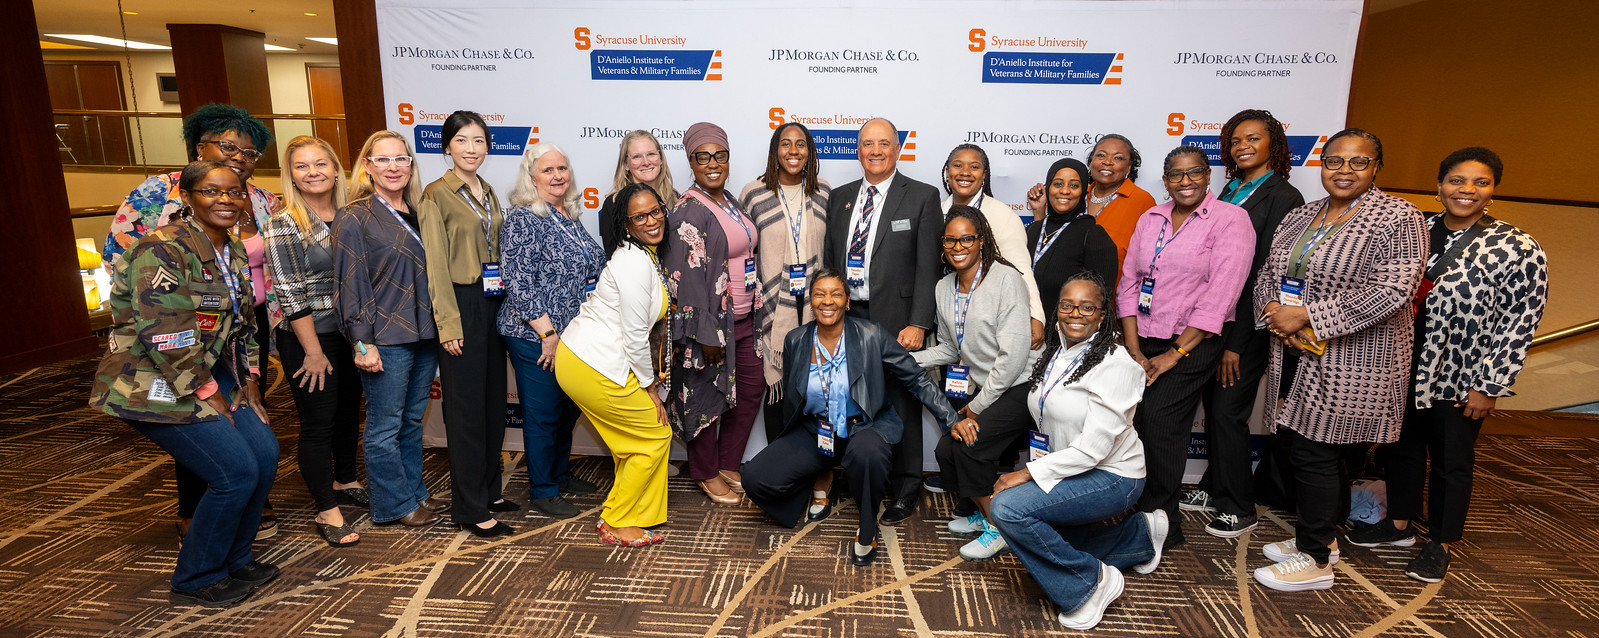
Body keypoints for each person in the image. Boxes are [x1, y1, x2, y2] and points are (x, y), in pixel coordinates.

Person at [1346, 147, 1547, 582]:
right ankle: (1398, 523)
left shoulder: (1517, 246)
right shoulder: (1414, 230)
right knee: (1401, 450)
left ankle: (1440, 542)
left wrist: (1490, 384)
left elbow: (1520, 321)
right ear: (1439, 186)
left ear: (1493, 190)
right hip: (1399, 366)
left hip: (1461, 375)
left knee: (1451, 460)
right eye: (1457, 180)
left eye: (1480, 182)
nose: (1467, 190)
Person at [90, 160, 278, 607]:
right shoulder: (162, 249)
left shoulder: (229, 250)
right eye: (212, 192)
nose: (226, 200)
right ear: (188, 199)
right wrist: (207, 392)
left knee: (266, 454)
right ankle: (198, 575)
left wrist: (250, 379)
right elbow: (166, 334)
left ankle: (235, 558)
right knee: (235, 472)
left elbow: (242, 326)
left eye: (234, 192)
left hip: (214, 375)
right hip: (155, 382)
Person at [1251, 128, 1426, 591]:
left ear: (1376, 167)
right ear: (1321, 164)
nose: (1344, 170)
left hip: (1354, 358)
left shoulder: (1398, 217)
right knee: (1296, 445)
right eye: (1334, 161)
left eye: (1358, 162)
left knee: (1316, 451)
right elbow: (1269, 272)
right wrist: (1274, 314)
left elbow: (1392, 291)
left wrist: (1307, 315)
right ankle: (1321, 538)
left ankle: (1314, 561)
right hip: (1293, 352)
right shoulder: (1303, 215)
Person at [742, 268, 960, 567]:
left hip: (865, 428)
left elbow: (916, 378)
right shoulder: (796, 340)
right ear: (811, 300)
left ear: (847, 301)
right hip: (818, 431)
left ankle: (867, 528)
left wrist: (952, 419)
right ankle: (823, 477)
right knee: (754, 478)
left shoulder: (871, 335)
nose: (827, 301)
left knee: (867, 456)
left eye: (835, 294)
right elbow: (794, 397)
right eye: (819, 294)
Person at [988, 272, 1160, 631]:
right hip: (1072, 468)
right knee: (1045, 537)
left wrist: (1027, 474)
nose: (1075, 314)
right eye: (1067, 305)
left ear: (1102, 314)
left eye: (1087, 307)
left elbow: (1094, 450)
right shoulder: (1059, 351)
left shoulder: (1116, 365)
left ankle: (1089, 585)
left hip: (1114, 476)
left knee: (1008, 509)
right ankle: (1138, 537)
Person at [1116, 146, 1254, 549]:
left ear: (1209, 176)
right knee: (1134, 424)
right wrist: (1134, 349)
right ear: (1165, 180)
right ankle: (1139, 511)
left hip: (1193, 343)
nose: (1185, 180)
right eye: (1176, 174)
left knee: (1159, 425)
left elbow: (1222, 294)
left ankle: (1162, 525)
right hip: (1143, 339)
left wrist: (1173, 354)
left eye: (1194, 172)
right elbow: (1129, 283)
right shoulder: (1151, 217)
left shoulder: (1232, 219)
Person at [1185, 110, 1306, 539]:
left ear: (1273, 144)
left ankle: (1239, 507)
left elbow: (1263, 273)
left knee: (1229, 413)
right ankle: (1212, 487)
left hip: (1247, 326)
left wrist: (1236, 343)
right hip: (1211, 318)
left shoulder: (1282, 197)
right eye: (1235, 141)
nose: (1242, 147)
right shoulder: (1231, 188)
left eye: (1253, 139)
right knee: (1216, 408)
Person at [823, 117, 944, 524]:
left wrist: (920, 323)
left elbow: (929, 267)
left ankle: (906, 486)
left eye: (883, 144)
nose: (875, 151)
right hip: (848, 316)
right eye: (867, 144)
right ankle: (856, 473)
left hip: (897, 319)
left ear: (898, 149)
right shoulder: (839, 198)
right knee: (852, 397)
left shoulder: (922, 197)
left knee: (902, 402)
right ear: (858, 150)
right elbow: (829, 263)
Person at [333, 130, 447, 528]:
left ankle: (415, 494)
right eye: (383, 160)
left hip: (424, 333)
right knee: (384, 427)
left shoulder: (419, 211)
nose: (393, 167)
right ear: (367, 166)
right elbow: (350, 284)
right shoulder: (355, 216)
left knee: (411, 422)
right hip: (385, 338)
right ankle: (394, 505)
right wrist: (361, 342)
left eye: (401, 159)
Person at [555, 182, 674, 546]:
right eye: (640, 216)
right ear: (625, 224)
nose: (652, 221)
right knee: (655, 434)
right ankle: (617, 518)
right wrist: (650, 388)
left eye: (656, 211)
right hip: (592, 364)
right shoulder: (633, 263)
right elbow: (637, 335)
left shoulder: (641, 253)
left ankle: (639, 514)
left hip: (589, 358)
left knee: (633, 441)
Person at [916, 206, 1037, 561]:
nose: (958, 246)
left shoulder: (1006, 279)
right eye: (950, 239)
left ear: (981, 241)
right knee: (943, 451)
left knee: (968, 444)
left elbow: (1013, 358)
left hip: (1020, 384)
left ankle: (1000, 527)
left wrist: (974, 408)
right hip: (982, 388)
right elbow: (949, 348)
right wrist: (903, 358)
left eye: (967, 238)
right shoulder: (943, 287)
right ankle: (975, 512)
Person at [262, 136, 364, 547]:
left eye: (320, 164)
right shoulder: (283, 222)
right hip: (309, 337)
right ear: (292, 176)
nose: (313, 172)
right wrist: (313, 352)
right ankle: (326, 509)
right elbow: (289, 294)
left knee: (346, 414)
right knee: (318, 424)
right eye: (302, 167)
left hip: (350, 333)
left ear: (336, 169)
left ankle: (345, 480)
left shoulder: (351, 214)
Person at [417, 111, 514, 537]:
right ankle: (469, 507)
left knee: (493, 403)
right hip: (460, 303)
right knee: (465, 411)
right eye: (462, 141)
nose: (471, 149)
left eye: (478, 141)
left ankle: (490, 490)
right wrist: (448, 324)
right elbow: (435, 264)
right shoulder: (435, 194)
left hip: (493, 302)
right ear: (446, 146)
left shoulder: (488, 191)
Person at [499, 141, 605, 519]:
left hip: (573, 336)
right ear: (531, 177)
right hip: (536, 337)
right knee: (544, 414)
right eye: (548, 170)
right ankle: (543, 490)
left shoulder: (567, 214)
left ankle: (559, 475)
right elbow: (519, 281)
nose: (557, 175)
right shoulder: (523, 217)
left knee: (565, 411)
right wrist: (547, 335)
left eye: (562, 169)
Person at [665, 122, 765, 504]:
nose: (712, 163)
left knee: (750, 390)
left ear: (728, 158)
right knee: (703, 397)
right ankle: (704, 471)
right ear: (691, 160)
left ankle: (728, 463)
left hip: (744, 318)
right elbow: (686, 281)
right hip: (711, 328)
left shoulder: (728, 201)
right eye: (702, 157)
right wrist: (706, 335)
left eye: (719, 155)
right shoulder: (688, 211)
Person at [740, 123, 832, 442]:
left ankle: (808, 465)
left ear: (810, 153)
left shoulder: (823, 193)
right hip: (772, 304)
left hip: (814, 304)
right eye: (785, 144)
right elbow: (745, 251)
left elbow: (829, 253)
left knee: (813, 391)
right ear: (775, 151)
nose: (793, 151)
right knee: (777, 391)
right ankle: (778, 467)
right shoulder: (754, 193)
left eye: (801, 145)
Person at [939, 144, 1045, 347]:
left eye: (974, 167)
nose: (965, 173)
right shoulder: (936, 212)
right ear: (947, 171)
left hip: (988, 321)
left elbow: (1021, 269)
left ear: (984, 174)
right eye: (958, 165)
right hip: (945, 319)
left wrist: (1035, 315)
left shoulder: (1002, 215)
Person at [1028, 134, 1155, 269]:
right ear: (1091, 161)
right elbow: (1049, 244)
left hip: (1112, 288)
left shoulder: (1142, 201)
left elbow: (1147, 259)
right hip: (1064, 284)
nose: (1107, 162)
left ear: (1129, 167)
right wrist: (1039, 211)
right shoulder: (1076, 195)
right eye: (1101, 155)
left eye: (1118, 158)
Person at [1026, 158, 1121, 305]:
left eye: (1074, 185)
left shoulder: (1093, 235)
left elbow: (1101, 301)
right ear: (1048, 187)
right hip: (1023, 325)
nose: (1064, 191)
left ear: (1083, 191)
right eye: (1057, 184)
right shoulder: (1033, 230)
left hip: (1067, 326)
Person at [599, 130, 680, 248]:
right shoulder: (614, 205)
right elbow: (613, 257)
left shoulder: (676, 198)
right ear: (626, 164)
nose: (646, 162)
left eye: (651, 154)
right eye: (636, 157)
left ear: (660, 159)